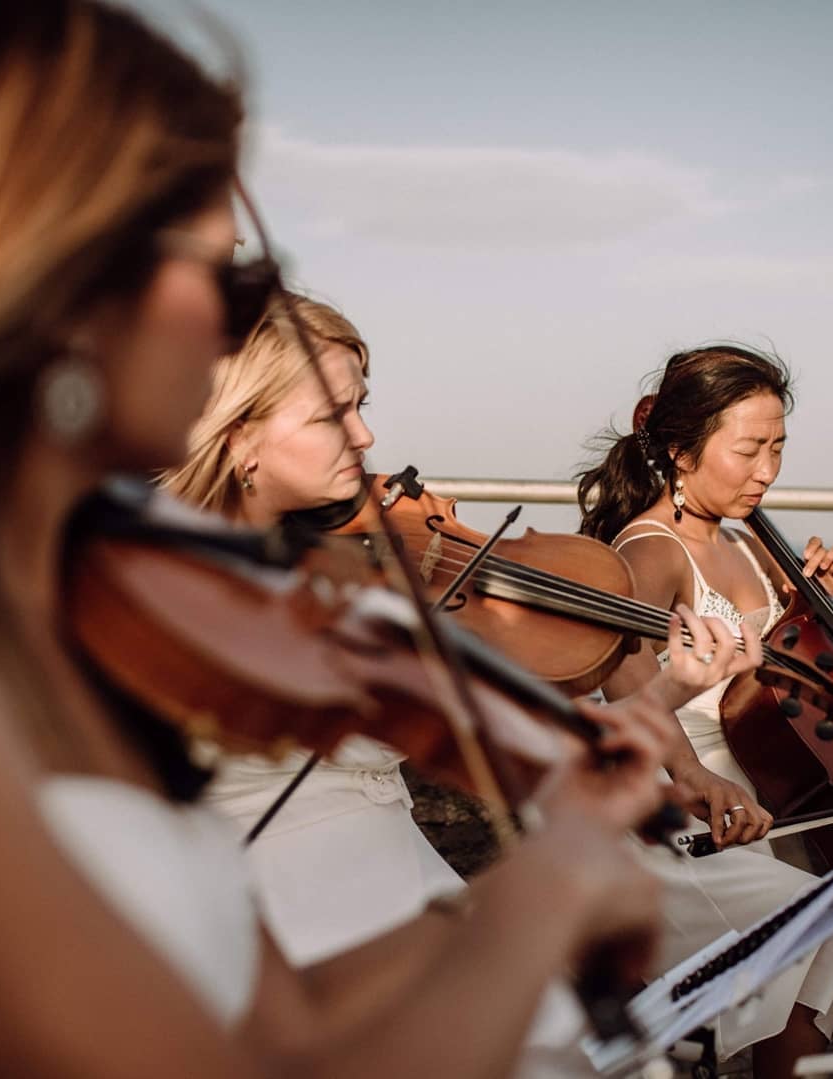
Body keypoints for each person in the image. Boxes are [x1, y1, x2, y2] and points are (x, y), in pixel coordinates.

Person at [0, 4, 681, 1076]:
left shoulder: (75, 598)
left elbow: (280, 1022)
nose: (245, 328)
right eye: (226, 278)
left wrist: (522, 890)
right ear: (66, 289)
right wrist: (546, 897)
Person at [160, 296, 765, 1073]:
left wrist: (673, 687)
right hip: (292, 901)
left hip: (394, 867)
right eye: (331, 415)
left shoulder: (339, 564)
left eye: (362, 405)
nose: (366, 435)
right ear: (240, 436)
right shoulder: (189, 580)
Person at [578, 344, 833, 1078]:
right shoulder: (652, 547)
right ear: (681, 450)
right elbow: (621, 667)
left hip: (764, 788)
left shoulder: (746, 543)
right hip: (682, 798)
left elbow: (783, 682)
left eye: (778, 448)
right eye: (749, 449)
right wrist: (696, 776)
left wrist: (822, 612)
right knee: (812, 917)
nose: (767, 470)